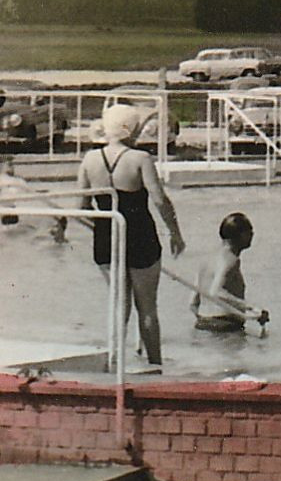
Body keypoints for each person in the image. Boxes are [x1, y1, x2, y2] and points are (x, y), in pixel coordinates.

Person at [77, 104, 184, 372]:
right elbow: (160, 200)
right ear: (131, 129)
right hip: (140, 236)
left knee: (119, 304)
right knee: (146, 306)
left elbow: (80, 207)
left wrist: (102, 225)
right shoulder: (139, 158)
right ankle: (156, 366)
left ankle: (114, 362)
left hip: (107, 234)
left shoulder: (90, 160)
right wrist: (175, 233)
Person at [192, 212, 254, 333]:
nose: (253, 235)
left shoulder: (207, 259)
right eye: (250, 231)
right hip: (226, 326)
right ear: (241, 235)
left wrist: (205, 319)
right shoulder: (231, 259)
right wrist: (251, 307)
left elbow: (193, 302)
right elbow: (216, 292)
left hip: (201, 324)